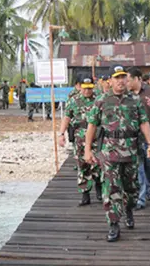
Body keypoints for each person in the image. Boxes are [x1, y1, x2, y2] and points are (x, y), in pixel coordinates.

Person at [84, 65, 150, 242]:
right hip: (109, 152)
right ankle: (114, 224)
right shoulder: (101, 101)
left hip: (131, 151)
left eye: (123, 77)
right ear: (110, 81)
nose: (120, 80)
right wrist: (87, 150)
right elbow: (92, 125)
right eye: (116, 77)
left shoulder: (135, 101)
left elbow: (144, 123)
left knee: (131, 188)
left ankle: (129, 209)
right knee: (111, 188)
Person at [59, 76, 102, 206]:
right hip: (80, 137)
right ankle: (85, 194)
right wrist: (61, 134)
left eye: (89, 88)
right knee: (82, 165)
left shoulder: (99, 100)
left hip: (97, 137)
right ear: (80, 87)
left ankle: (99, 189)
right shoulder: (74, 101)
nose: (87, 91)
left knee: (98, 164)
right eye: (85, 88)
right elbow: (67, 117)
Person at [127, 67, 150, 210]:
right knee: (139, 170)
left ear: (138, 79)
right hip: (134, 139)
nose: (126, 83)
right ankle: (141, 199)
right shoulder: (125, 95)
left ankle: (147, 188)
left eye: (129, 80)